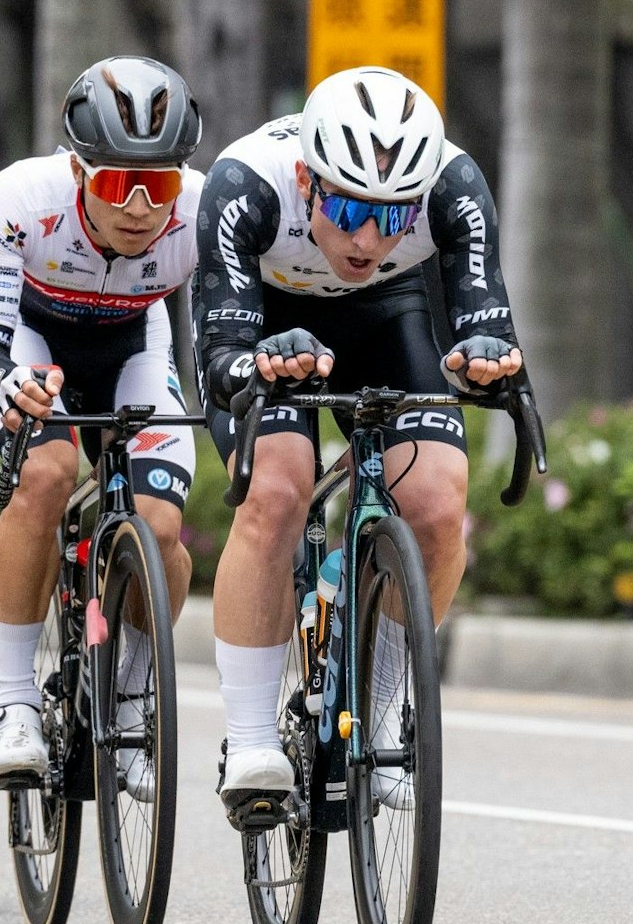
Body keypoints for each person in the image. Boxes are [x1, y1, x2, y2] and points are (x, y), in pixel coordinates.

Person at [195, 66, 525, 819]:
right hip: (267, 319)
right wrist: (257, 365)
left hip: (387, 315)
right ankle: (249, 743)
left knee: (437, 505)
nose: (369, 237)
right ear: (309, 179)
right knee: (277, 490)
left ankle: (378, 719)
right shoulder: (244, 184)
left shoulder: (455, 186)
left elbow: (484, 315)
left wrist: (486, 360)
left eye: (393, 215)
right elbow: (221, 362)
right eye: (347, 208)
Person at [0, 56, 203, 799]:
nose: (137, 206)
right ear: (76, 171)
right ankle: (14, 703)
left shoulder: (204, 210)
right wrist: (10, 385)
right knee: (46, 474)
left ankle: (130, 697)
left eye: (156, 184)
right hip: (34, 347)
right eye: (114, 183)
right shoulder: (18, 199)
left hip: (134, 345)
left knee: (160, 526)